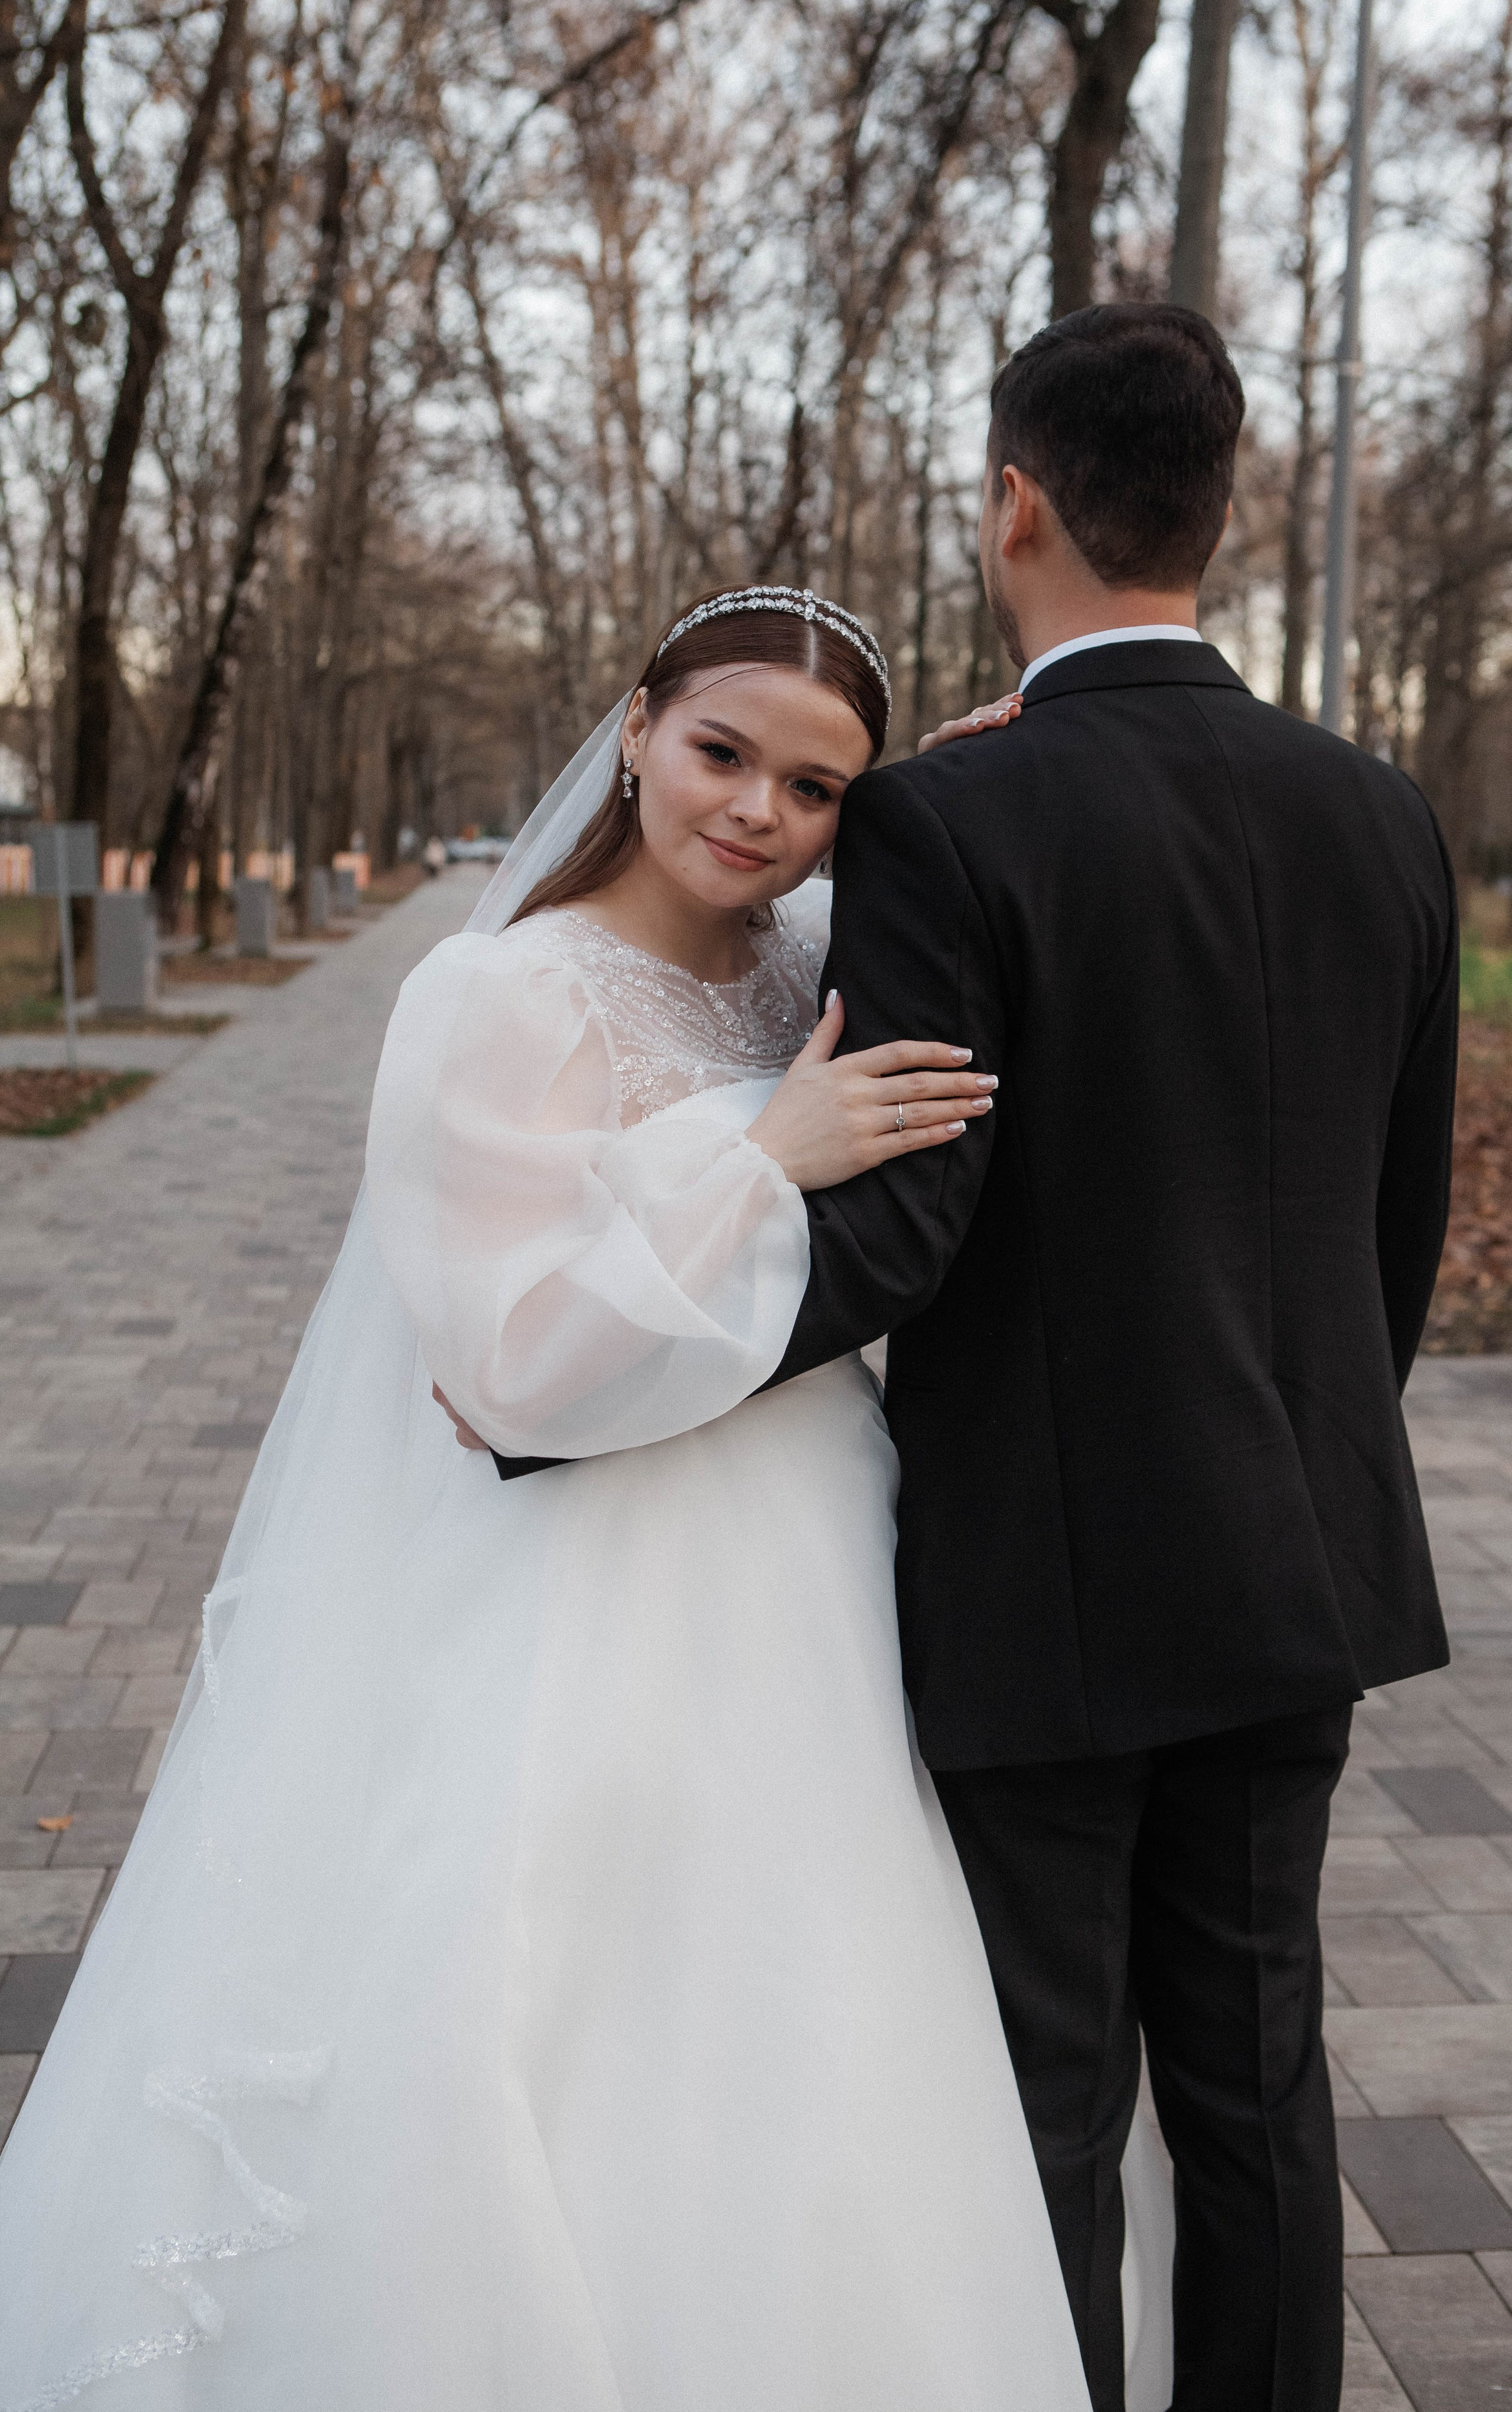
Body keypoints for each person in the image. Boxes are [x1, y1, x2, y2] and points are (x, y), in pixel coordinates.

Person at [0, 590, 1162, 2412]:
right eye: (722, 751)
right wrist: (759, 1152)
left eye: (815, 784)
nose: (759, 810)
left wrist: (1007, 761)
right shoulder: (495, 994)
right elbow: (508, 1352)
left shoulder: (812, 964)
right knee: (524, 1968)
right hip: (564, 1570)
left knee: (806, 1983)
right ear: (633, 728)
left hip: (800, 1549)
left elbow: (972, 898)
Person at [747, 307, 1455, 2410]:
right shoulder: (1381, 810)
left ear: (1016, 504)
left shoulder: (949, 823)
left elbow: (898, 1226)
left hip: (1042, 1595)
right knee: (1256, 2089)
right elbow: (1390, 1235)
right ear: (1220, 519)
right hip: (1297, 1567)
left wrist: (624, 1344)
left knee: (1046, 2099)